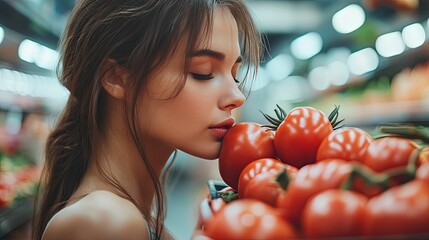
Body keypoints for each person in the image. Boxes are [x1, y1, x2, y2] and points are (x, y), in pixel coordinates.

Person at [32, 0, 262, 239]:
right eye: (203, 72)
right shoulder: (104, 222)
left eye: (235, 75)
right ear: (117, 78)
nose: (237, 97)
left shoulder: (135, 218)